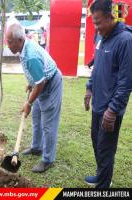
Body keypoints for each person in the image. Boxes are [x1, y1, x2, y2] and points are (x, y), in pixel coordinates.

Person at [84, 0, 132, 188]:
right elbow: (97, 67)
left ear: (111, 16)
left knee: (106, 148)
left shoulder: (126, 41)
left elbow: (126, 81)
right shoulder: (101, 36)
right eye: (93, 23)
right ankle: (101, 176)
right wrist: (89, 88)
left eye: (98, 22)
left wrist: (113, 110)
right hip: (98, 102)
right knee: (96, 141)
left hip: (111, 108)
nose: (96, 27)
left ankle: (103, 186)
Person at [6, 23, 63, 173]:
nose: (8, 45)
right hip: (41, 83)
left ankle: (47, 159)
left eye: (10, 42)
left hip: (50, 85)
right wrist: (31, 82)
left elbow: (41, 82)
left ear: (19, 40)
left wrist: (29, 102)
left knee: (48, 124)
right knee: (36, 117)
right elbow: (38, 76)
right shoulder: (24, 46)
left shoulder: (30, 55)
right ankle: (36, 147)